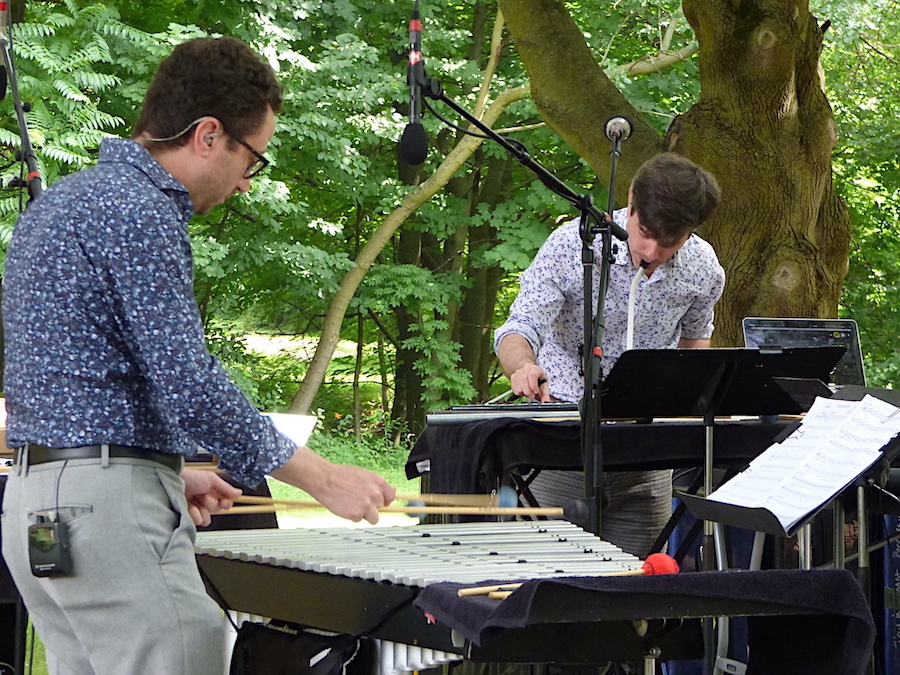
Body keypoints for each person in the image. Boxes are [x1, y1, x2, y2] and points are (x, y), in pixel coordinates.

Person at [1, 36, 395, 675]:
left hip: (34, 508)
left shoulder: (61, 204)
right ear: (208, 134)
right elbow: (190, 383)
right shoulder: (141, 210)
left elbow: (73, 382)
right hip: (103, 518)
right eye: (253, 159)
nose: (245, 184)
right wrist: (322, 477)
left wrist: (162, 469)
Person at [494, 152, 723, 558]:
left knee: (634, 584)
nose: (651, 250)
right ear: (630, 200)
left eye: (670, 241)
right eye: (645, 232)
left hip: (645, 453)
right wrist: (523, 366)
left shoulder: (703, 268)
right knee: (546, 578)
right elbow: (519, 327)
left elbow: (694, 341)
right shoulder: (571, 245)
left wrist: (683, 402)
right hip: (562, 442)